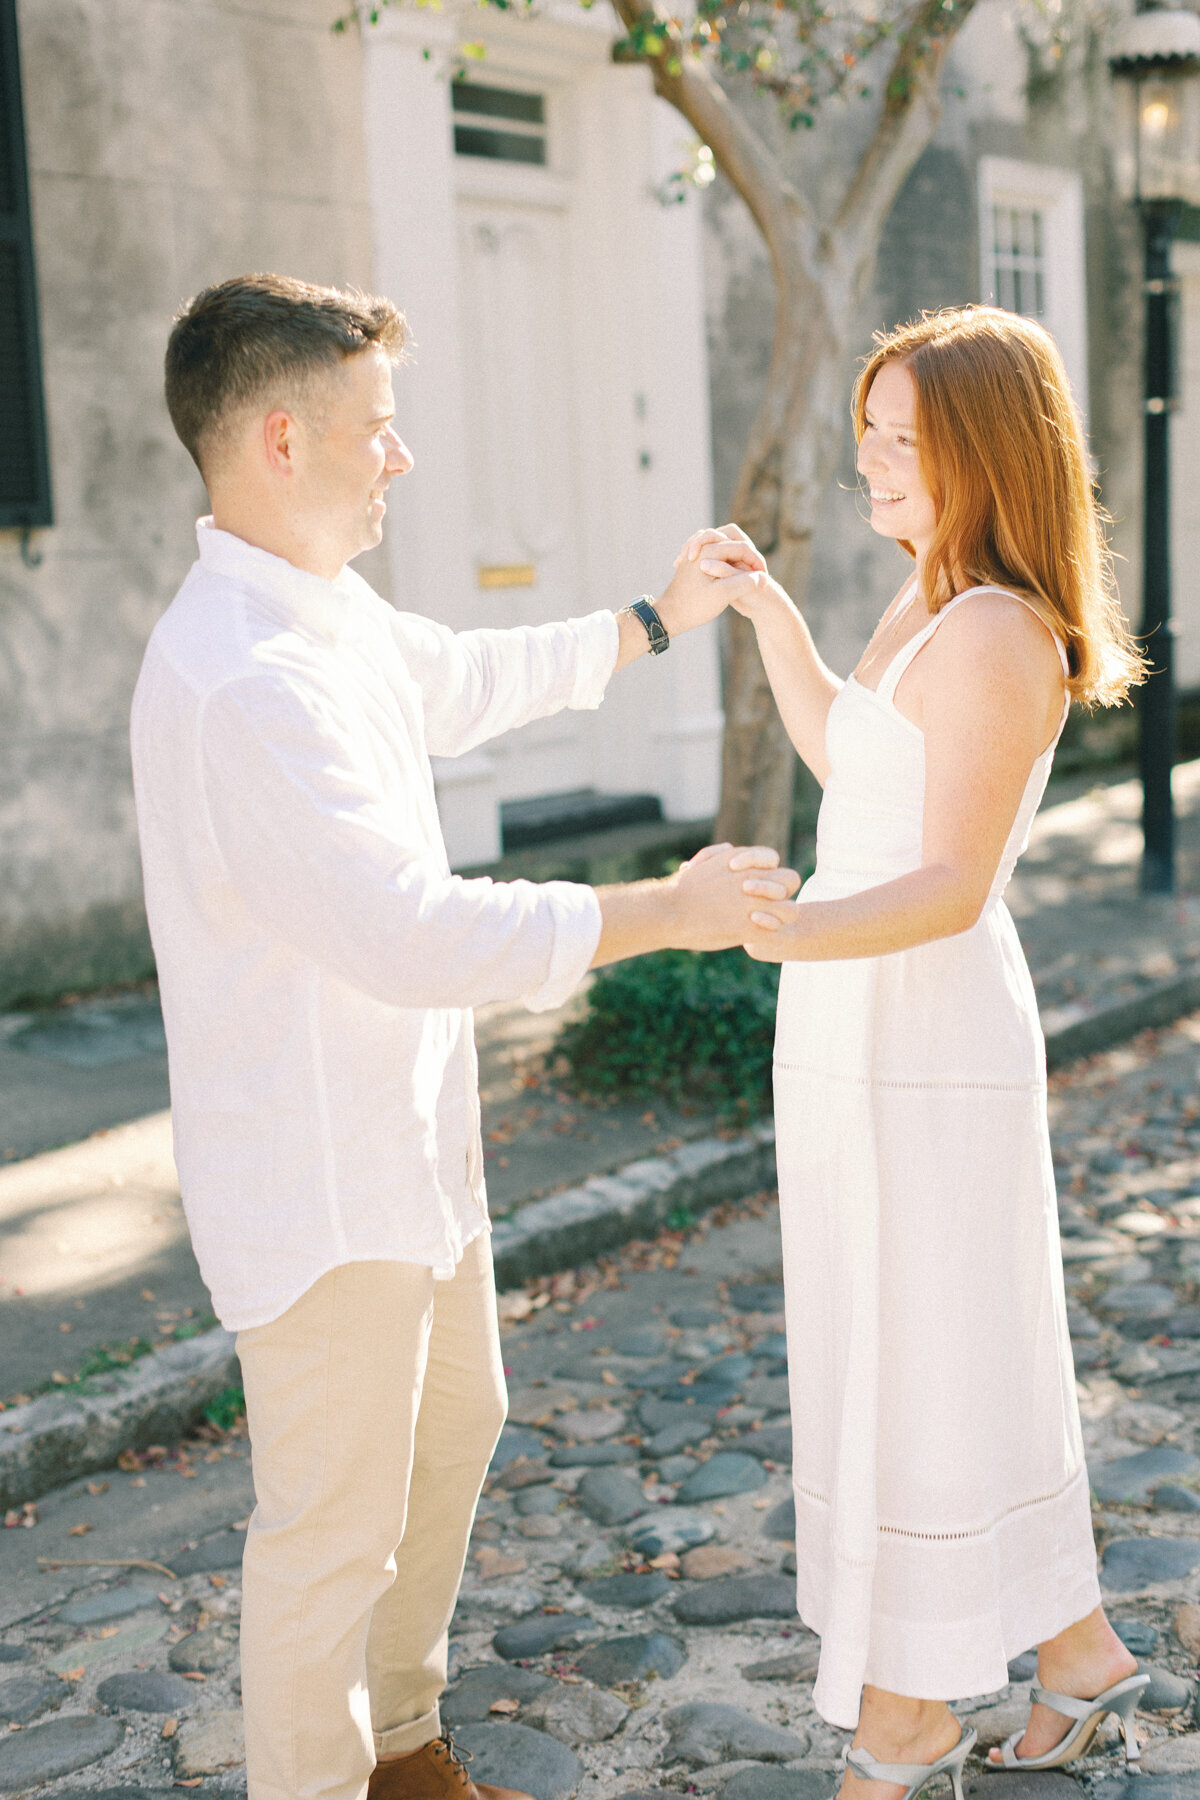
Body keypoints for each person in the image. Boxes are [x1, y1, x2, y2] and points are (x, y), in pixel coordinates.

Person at [130, 271, 798, 1800]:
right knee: (328, 1533)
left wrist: (648, 622)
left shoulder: (327, 612)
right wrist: (660, 910)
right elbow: (414, 931)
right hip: (314, 1181)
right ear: (284, 441)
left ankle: (407, 1747)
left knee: (456, 1435)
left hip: (411, 1145)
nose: (403, 457)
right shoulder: (241, 677)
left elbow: (455, 677)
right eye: (381, 428)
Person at [683, 306, 1149, 1800]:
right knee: (934, 1341)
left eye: (902, 441)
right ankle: (1074, 1654)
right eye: (868, 435)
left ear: (984, 456)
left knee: (927, 1352)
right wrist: (774, 628)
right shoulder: (925, 601)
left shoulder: (1003, 628)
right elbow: (861, 769)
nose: (868, 462)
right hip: (854, 1020)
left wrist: (775, 935)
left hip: (924, 1026)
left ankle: (907, 1717)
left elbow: (952, 882)